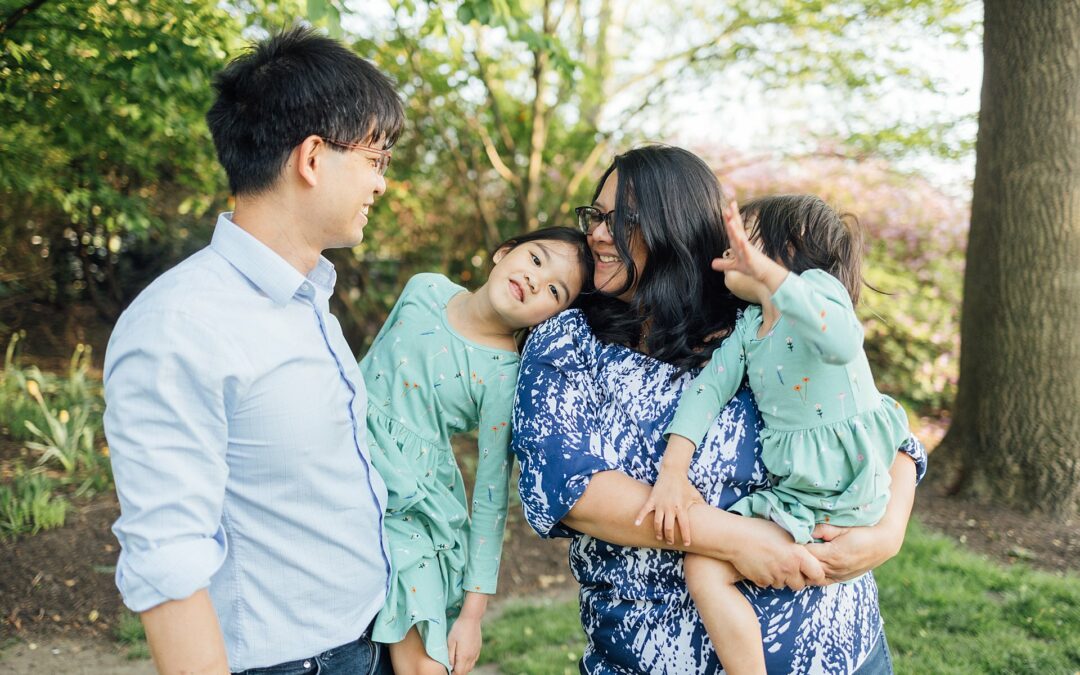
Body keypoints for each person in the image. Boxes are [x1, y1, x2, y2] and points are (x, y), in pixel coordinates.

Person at [512, 145, 927, 674]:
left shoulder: (755, 316)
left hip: (843, 647)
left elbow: (878, 423)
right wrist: (738, 539)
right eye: (597, 216)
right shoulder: (569, 339)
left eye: (622, 221)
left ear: (676, 226)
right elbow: (570, 488)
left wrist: (886, 534)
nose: (597, 233)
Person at [103, 26, 404, 674]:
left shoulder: (309, 299)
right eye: (376, 159)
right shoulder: (180, 324)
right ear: (314, 157)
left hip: (368, 645)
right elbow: (169, 562)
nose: (382, 183)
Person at [638, 195, 910, 675]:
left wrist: (768, 274)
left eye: (748, 235)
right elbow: (706, 392)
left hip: (854, 484)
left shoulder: (819, 295)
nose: (732, 246)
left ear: (790, 249)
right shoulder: (747, 328)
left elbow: (842, 340)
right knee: (703, 570)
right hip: (801, 495)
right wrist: (673, 470)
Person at [360, 227, 591, 675]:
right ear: (504, 252)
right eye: (537, 260)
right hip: (350, 453)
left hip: (414, 506)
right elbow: (365, 371)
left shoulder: (505, 375)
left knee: (424, 664)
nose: (535, 281)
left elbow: (490, 498)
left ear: (551, 318)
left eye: (554, 291)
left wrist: (472, 615)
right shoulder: (423, 287)